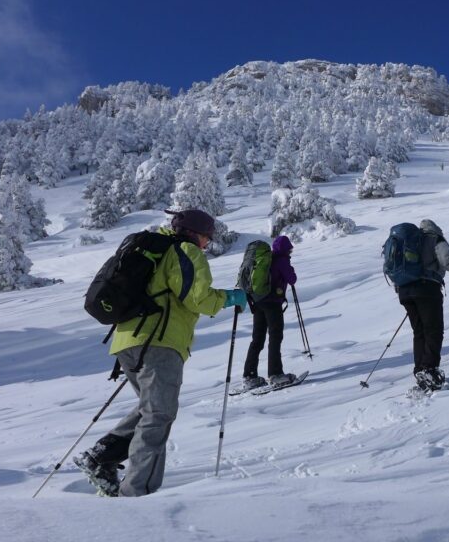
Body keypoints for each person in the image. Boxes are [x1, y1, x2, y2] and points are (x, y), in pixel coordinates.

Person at [74, 209, 244, 497]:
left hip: (127, 342)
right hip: (159, 342)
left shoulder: (155, 249)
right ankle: (137, 495)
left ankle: (103, 454)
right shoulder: (186, 251)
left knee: (151, 407)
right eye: (207, 237)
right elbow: (198, 298)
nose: (207, 244)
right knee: (159, 415)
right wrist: (229, 298)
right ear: (196, 233)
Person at [398, 219, 449, 392]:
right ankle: (429, 370)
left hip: (405, 290)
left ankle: (420, 369)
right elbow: (446, 260)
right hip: (427, 289)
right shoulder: (435, 238)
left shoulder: (408, 241)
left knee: (419, 331)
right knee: (433, 330)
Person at [241, 235, 298, 390]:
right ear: (286, 249)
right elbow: (292, 279)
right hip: (272, 303)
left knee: (257, 339)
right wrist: (290, 268)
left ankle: (249, 375)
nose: (290, 252)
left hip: (258, 301)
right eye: (290, 249)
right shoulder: (282, 260)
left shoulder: (267, 259)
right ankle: (275, 374)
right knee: (275, 337)